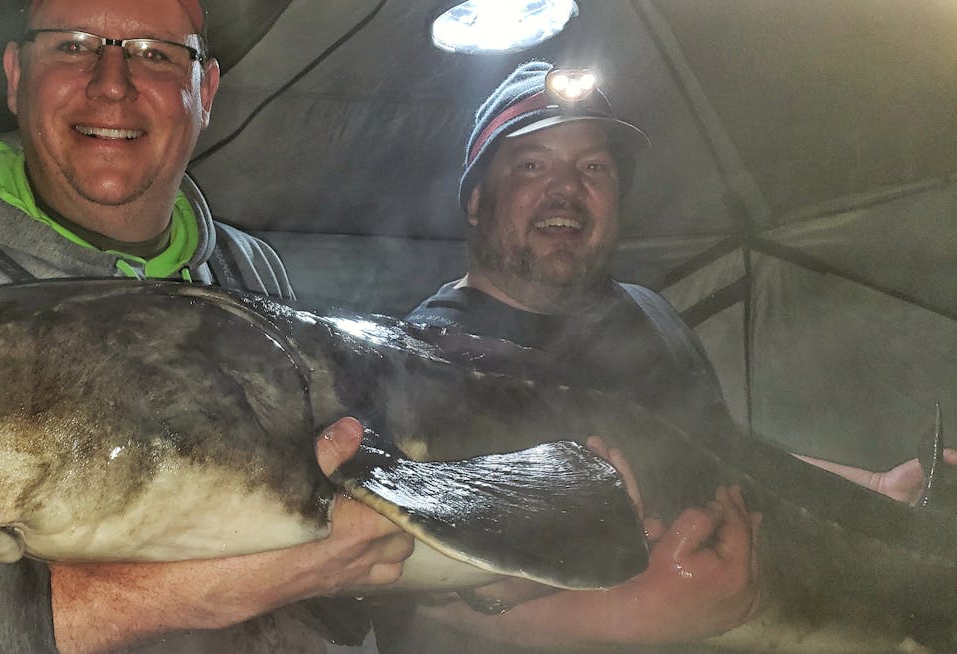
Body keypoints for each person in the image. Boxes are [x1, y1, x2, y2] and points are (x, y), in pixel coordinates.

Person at [0, 1, 415, 653]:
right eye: (73, 44)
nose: (111, 84)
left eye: (155, 54)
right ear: (16, 77)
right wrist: (166, 594)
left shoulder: (249, 270)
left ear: (204, 90)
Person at [386, 60, 957, 651]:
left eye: (594, 167)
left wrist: (874, 487)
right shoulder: (427, 361)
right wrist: (622, 618)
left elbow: (718, 451)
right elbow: (400, 593)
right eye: (533, 164)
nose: (567, 188)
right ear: (478, 200)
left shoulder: (645, 310)